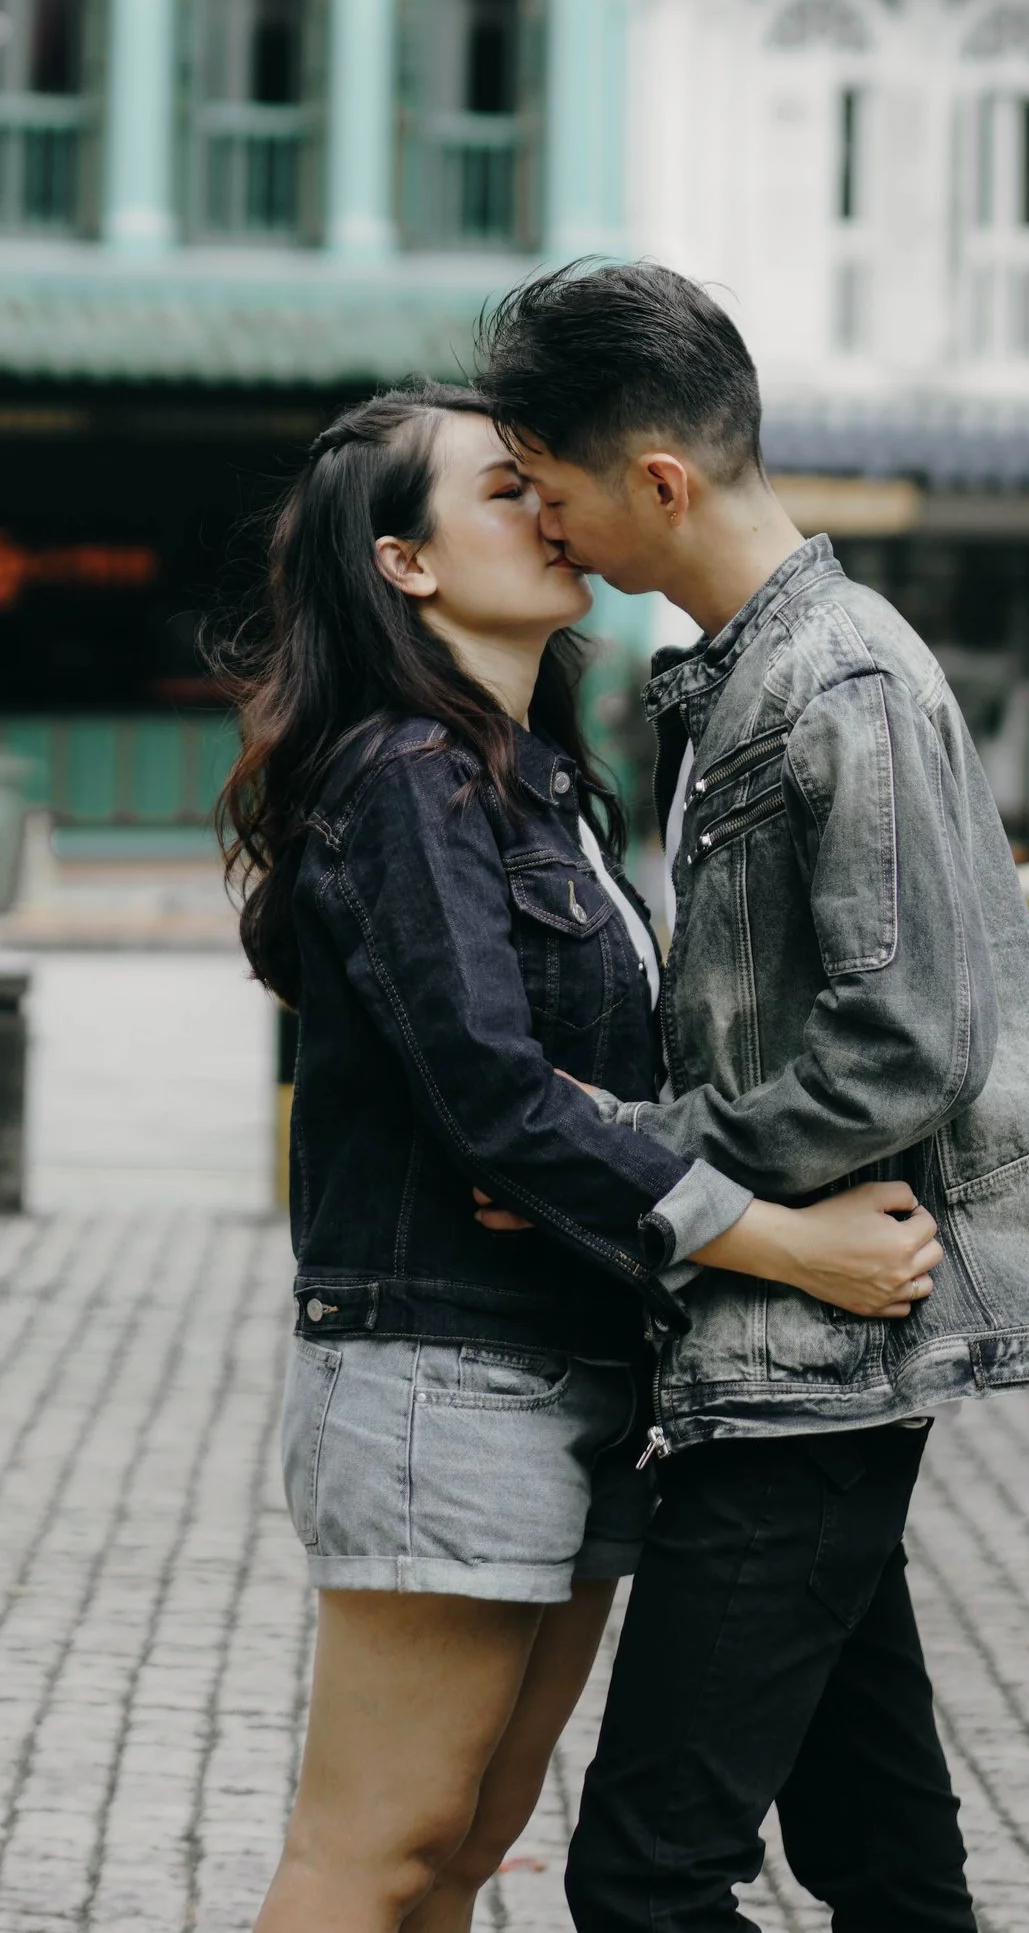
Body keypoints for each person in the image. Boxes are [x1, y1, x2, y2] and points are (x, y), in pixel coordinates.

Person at [219, 382, 945, 1933]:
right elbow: (495, 1094)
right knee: (378, 1847)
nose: (550, 513)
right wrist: (790, 1241)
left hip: (572, 1363)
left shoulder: (532, 779)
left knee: (468, 1845)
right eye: (504, 492)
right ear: (404, 563)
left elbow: (592, 1103)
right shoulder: (403, 772)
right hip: (442, 1369)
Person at [480, 264, 1029, 1933]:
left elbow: (906, 1040)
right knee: (885, 1865)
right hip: (788, 1358)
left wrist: (630, 1160)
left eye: (551, 490)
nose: (548, 530)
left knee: (645, 1881)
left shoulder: (836, 685)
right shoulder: (754, 671)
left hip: (810, 1372)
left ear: (659, 485)